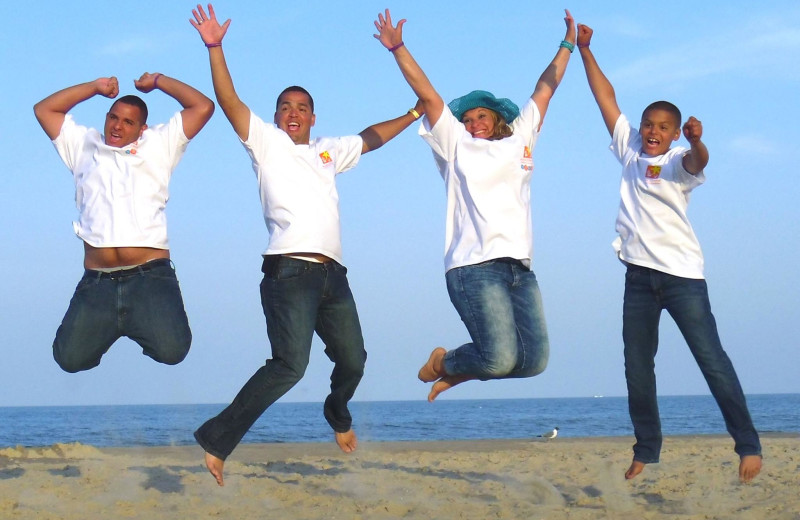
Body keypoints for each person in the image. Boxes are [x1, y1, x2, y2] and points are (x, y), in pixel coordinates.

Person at [189, 4, 424, 486]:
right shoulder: (266, 144)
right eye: (285, 107)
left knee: (354, 359)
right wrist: (215, 47)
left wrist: (415, 111)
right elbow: (229, 99)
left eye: (301, 107)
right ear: (276, 116)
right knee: (289, 366)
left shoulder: (327, 152)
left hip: (333, 276)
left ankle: (337, 412)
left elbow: (371, 138)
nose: (293, 113)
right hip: (289, 273)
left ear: (313, 117)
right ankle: (217, 440)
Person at [576, 23, 762, 483]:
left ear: (674, 133)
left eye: (663, 127)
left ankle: (748, 445)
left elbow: (699, 161)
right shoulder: (630, 151)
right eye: (649, 124)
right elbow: (606, 98)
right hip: (638, 278)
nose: (653, 132)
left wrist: (697, 140)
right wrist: (585, 50)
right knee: (637, 367)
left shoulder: (678, 160)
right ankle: (647, 449)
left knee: (711, 359)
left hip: (681, 278)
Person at [373, 9, 575, 402]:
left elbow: (546, 88)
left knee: (534, 361)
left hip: (520, 267)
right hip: (473, 266)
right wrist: (398, 47)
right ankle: (446, 362)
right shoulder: (455, 144)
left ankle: (464, 367)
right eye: (466, 118)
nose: (473, 123)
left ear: (498, 116)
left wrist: (568, 43)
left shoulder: (521, 138)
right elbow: (429, 96)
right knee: (499, 360)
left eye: (480, 115)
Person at [33, 73, 214, 373]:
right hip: (98, 281)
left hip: (149, 277)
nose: (118, 126)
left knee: (173, 351)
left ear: (142, 128)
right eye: (113, 118)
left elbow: (203, 106)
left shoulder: (158, 144)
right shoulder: (83, 145)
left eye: (128, 122)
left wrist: (157, 81)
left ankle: (133, 321)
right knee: (68, 359)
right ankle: (113, 324)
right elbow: (45, 110)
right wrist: (93, 87)